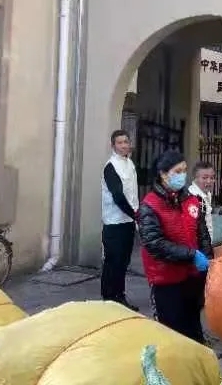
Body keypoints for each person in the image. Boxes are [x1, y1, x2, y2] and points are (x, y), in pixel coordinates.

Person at [137, 150, 213, 343]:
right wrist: (191, 255)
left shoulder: (191, 200)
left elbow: (201, 232)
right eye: (177, 171)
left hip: (192, 277)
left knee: (193, 327)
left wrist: (207, 257)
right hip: (166, 280)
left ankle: (196, 365)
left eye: (184, 170)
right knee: (171, 333)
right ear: (163, 174)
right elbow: (155, 244)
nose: (183, 175)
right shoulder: (150, 205)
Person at [101, 129, 139, 311]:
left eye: (126, 141)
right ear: (113, 145)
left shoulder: (129, 163)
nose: (124, 145)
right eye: (120, 142)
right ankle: (109, 298)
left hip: (128, 223)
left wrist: (135, 216)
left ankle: (119, 296)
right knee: (113, 262)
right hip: (114, 223)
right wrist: (134, 214)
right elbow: (117, 195)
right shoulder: (111, 167)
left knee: (123, 262)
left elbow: (132, 193)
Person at [188, 161, 216, 240]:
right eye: (204, 178)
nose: (209, 181)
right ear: (195, 178)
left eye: (212, 178)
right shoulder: (193, 197)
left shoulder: (206, 193)